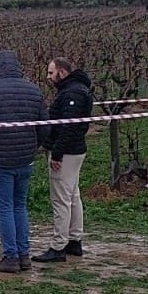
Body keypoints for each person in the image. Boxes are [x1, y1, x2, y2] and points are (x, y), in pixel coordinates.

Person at [0, 50, 49, 273]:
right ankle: (24, 255)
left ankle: (10, 257)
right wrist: (33, 147)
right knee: (20, 206)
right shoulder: (34, 90)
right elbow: (45, 126)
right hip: (25, 159)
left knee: (4, 208)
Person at [34, 57, 94, 263]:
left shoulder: (72, 93)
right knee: (72, 196)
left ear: (62, 72)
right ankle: (74, 240)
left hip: (66, 153)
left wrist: (57, 153)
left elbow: (69, 127)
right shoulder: (75, 89)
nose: (48, 77)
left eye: (51, 73)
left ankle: (58, 245)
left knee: (60, 199)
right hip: (74, 151)